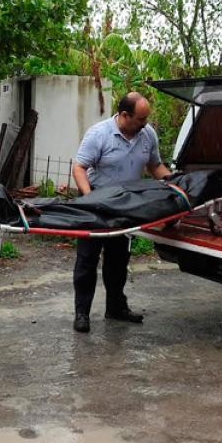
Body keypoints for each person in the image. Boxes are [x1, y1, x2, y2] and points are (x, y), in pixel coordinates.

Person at [70, 92, 172, 333]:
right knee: (87, 260)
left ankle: (115, 307)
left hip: (126, 205)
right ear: (124, 115)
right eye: (140, 119)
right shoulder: (99, 134)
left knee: (118, 260)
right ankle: (82, 313)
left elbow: (155, 165)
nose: (145, 124)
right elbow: (79, 167)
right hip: (96, 202)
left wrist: (174, 184)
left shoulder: (147, 134)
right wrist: (90, 198)